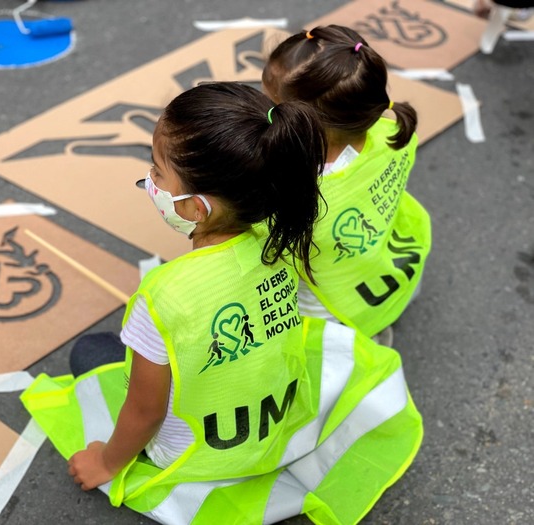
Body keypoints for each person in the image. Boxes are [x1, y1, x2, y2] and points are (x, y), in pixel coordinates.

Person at [21, 82, 423, 524]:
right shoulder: (289, 235)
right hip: (277, 422)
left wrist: (106, 463)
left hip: (195, 451)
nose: (149, 181)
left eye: (156, 172)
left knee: (89, 352)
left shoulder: (163, 297)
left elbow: (145, 412)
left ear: (195, 208)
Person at [263, 25, 432, 346]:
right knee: (372, 314)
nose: (263, 110)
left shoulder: (294, 189)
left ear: (307, 129)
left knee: (324, 343)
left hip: (326, 302)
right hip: (390, 260)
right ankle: (378, 326)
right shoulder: (392, 135)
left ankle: (364, 345)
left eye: (272, 107)